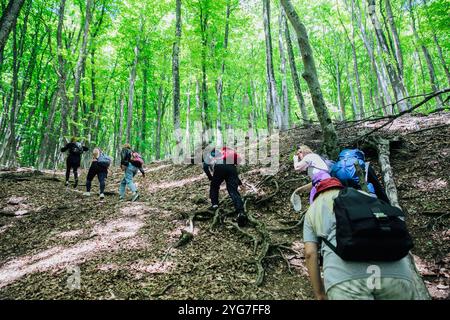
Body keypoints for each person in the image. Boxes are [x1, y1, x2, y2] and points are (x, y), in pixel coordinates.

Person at [303, 178, 415, 300]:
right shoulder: (367, 198)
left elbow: (310, 253)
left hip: (345, 279)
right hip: (397, 274)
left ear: (317, 194)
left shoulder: (314, 209)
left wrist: (319, 293)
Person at [207, 146, 247, 227]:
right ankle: (240, 212)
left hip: (220, 167)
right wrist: (239, 183)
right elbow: (233, 171)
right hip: (232, 169)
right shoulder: (226, 154)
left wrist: (211, 177)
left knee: (214, 186)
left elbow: (205, 167)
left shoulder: (212, 156)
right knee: (233, 191)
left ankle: (215, 205)